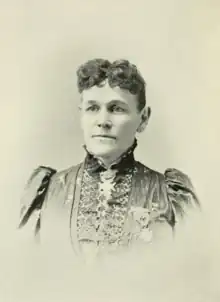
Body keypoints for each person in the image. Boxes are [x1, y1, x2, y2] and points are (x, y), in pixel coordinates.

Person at [18, 58, 200, 261]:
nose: (102, 121)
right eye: (92, 108)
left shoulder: (170, 195)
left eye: (116, 108)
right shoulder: (45, 192)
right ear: (82, 115)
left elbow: (190, 274)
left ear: (144, 119)